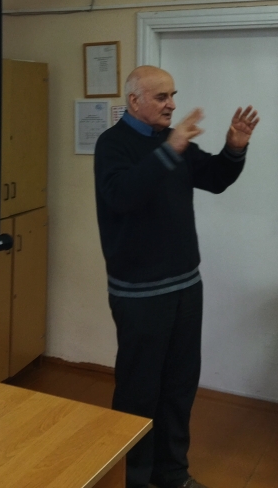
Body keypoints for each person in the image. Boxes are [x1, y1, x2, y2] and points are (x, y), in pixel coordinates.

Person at [93, 65, 259, 488]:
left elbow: (216, 179)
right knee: (139, 389)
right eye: (161, 97)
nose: (171, 104)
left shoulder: (173, 143)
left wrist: (234, 148)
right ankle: (137, 478)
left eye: (173, 95)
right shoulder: (113, 144)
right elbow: (122, 195)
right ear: (134, 101)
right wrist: (171, 148)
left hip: (185, 285)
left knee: (179, 385)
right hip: (139, 293)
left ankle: (171, 473)